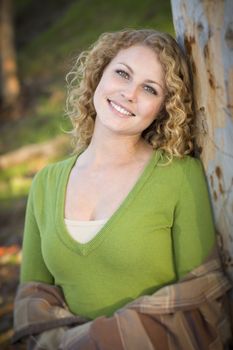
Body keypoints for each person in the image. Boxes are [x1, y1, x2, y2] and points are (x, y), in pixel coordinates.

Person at [12, 29, 232, 349]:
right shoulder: (45, 182)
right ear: (99, 74)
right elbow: (32, 298)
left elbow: (202, 298)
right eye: (122, 73)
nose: (129, 93)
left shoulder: (179, 177)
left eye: (149, 88)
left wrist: (96, 341)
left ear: (164, 108)